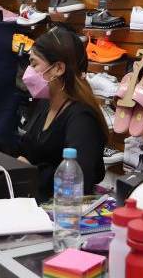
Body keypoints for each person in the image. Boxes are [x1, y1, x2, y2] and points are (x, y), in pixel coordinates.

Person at [17, 26, 107, 201]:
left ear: (58, 68)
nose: (28, 72)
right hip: (33, 202)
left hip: (61, 211)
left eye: (34, 64)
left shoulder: (82, 119)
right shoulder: (45, 105)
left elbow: (78, 181)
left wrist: (32, 173)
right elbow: (26, 151)